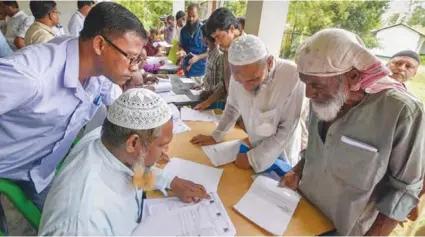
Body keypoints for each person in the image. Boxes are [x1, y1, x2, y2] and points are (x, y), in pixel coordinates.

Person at [0, 2, 147, 234]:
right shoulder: (31, 75)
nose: (134, 67)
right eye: (131, 57)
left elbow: (123, 111)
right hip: (9, 163)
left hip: (40, 169)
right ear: (100, 44)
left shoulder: (99, 73)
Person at [279, 28, 425, 236]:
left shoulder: (401, 111)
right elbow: (317, 148)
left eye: (316, 84)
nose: (309, 93)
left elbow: (404, 189)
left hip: (348, 229)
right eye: (305, 83)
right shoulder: (322, 99)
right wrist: (297, 169)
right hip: (303, 212)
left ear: (353, 75)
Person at [39, 88, 208, 235]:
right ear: (133, 143)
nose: (165, 152)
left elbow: (136, 165)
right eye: (162, 145)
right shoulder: (82, 223)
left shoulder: (108, 139)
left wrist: (172, 181)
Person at [191, 35, 304, 173]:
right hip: (253, 146)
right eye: (240, 81)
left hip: (280, 154)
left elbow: (286, 130)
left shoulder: (291, 75)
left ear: (269, 62)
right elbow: (232, 107)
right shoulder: (239, 75)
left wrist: (253, 159)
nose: (247, 87)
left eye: (253, 79)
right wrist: (217, 136)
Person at [193, 24, 224, 111]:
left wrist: (209, 92)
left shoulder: (219, 56)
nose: (201, 38)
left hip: (215, 101)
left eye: (202, 36)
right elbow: (210, 76)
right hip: (207, 97)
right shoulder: (210, 53)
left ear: (206, 39)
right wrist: (201, 85)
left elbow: (222, 83)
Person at [177, 4, 207, 83]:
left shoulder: (205, 30)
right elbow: (181, 45)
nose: (191, 19)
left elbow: (211, 51)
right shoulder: (183, 31)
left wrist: (198, 57)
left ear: (198, 15)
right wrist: (182, 51)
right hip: (187, 70)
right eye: (189, 16)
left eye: (194, 16)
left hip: (200, 71)